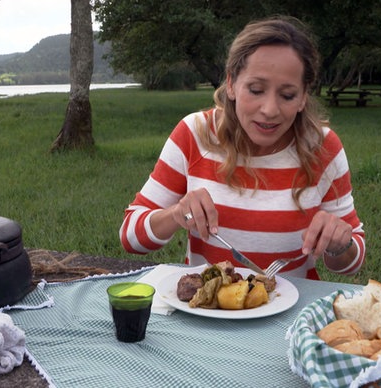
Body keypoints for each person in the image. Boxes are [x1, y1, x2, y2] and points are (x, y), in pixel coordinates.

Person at [119, 16, 365, 279]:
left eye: (287, 95)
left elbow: (352, 263)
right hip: (208, 309)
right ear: (232, 84)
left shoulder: (323, 147)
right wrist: (175, 214)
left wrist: (342, 243)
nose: (269, 110)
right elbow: (131, 238)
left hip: (293, 315)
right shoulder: (194, 134)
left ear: (304, 97)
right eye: (256, 89)